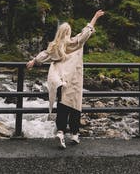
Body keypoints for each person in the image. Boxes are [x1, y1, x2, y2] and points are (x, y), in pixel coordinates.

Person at [26, 10, 105, 149]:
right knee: (75, 106)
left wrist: (33, 61)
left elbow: (44, 56)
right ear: (68, 32)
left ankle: (61, 132)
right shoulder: (75, 42)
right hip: (74, 79)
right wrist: (95, 17)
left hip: (61, 80)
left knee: (62, 106)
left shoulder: (55, 47)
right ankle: (75, 134)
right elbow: (86, 32)